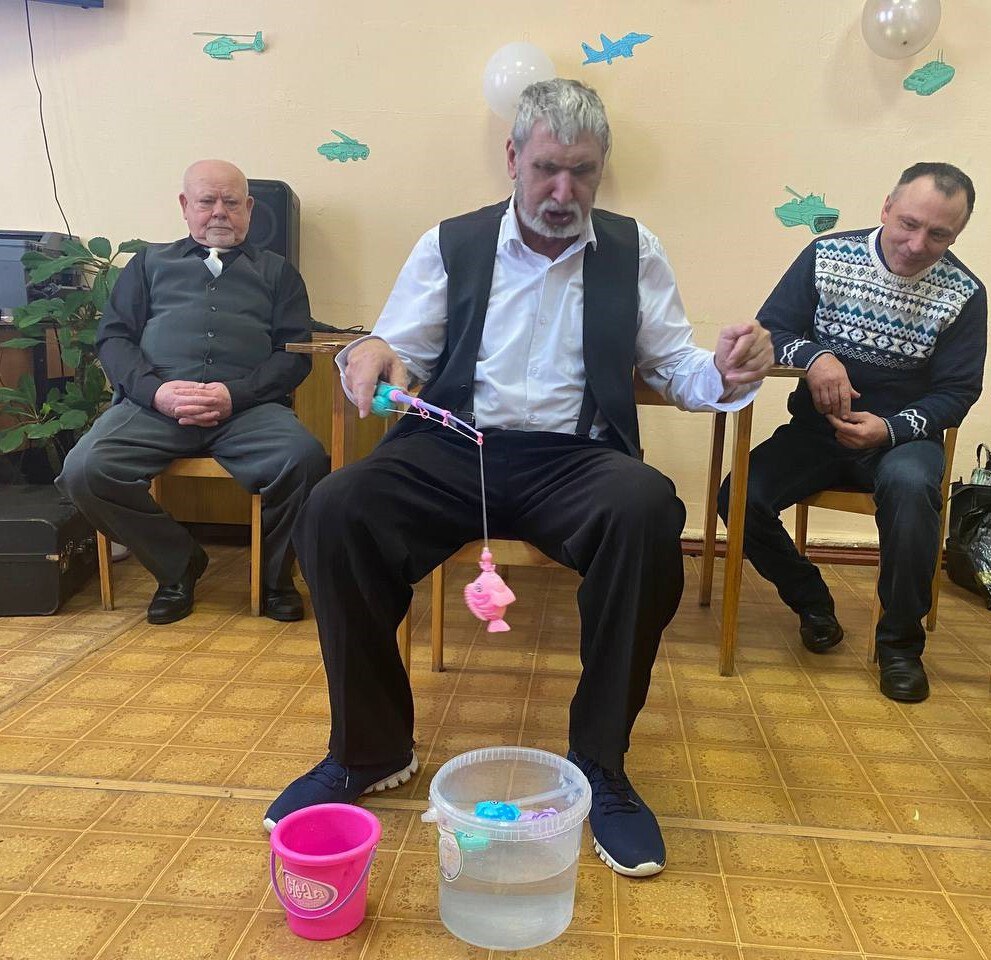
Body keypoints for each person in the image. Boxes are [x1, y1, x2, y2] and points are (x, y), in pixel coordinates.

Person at [266, 80, 772, 877]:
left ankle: (600, 766)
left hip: (572, 457)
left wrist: (727, 373)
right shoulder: (451, 243)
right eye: (545, 169)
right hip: (451, 446)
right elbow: (399, 345)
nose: (562, 191)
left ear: (601, 169)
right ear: (512, 158)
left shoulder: (633, 250)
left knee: (644, 508)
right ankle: (367, 750)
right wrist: (371, 351)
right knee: (336, 510)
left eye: (582, 171)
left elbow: (675, 366)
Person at [719, 163, 986, 703]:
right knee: (739, 497)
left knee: (912, 491)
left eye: (938, 235)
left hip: (903, 442)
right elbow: (772, 332)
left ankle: (900, 646)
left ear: (957, 235)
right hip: (815, 432)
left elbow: (958, 391)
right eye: (908, 223)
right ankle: (811, 601)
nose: (917, 244)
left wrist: (890, 429)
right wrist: (817, 357)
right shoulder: (826, 255)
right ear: (886, 207)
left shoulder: (965, 293)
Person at [58, 160, 327, 624]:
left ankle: (274, 580)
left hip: (248, 410)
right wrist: (157, 393)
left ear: (249, 208)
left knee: (304, 459)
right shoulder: (148, 264)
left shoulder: (279, 273)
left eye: (231, 202)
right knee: (85, 470)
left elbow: (293, 355)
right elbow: (115, 339)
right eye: (207, 201)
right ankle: (177, 565)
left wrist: (234, 395)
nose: (219, 211)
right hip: (154, 407)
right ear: (185, 206)